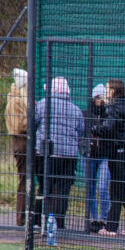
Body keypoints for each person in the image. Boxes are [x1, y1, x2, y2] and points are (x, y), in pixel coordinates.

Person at [33, 76, 83, 230]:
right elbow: (81, 130)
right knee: (63, 191)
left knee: (44, 187)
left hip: (46, 153)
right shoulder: (76, 110)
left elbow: (33, 123)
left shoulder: (42, 105)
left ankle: (37, 220)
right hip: (69, 156)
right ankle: (59, 223)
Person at [96, 78, 125, 237]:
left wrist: (96, 129)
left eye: (108, 88)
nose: (106, 91)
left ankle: (111, 227)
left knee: (116, 189)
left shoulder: (113, 107)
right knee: (122, 189)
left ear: (114, 90)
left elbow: (108, 127)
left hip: (116, 151)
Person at [82, 84, 111, 233]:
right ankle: (94, 219)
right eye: (98, 97)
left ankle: (104, 219)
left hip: (105, 155)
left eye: (103, 97)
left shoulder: (109, 114)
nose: (100, 100)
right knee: (90, 187)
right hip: (89, 156)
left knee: (103, 187)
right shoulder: (86, 114)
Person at [4, 68, 28, 226]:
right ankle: (21, 218)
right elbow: (20, 125)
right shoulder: (17, 101)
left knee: (25, 180)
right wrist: (33, 119)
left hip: (23, 142)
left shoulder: (18, 99)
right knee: (24, 180)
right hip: (21, 142)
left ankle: (24, 216)